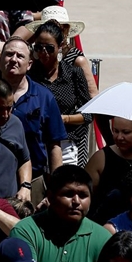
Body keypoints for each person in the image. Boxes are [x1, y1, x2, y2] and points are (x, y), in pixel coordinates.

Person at [12, 166, 110, 262]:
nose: (76, 201)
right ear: (50, 197)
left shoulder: (103, 238)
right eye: (68, 194)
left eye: (83, 195)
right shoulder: (26, 230)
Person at [0, 38, 67, 195]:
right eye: (9, 54)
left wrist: (56, 188)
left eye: (20, 56)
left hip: (34, 181)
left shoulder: (44, 97)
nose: (13, 60)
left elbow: (54, 145)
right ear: (0, 59)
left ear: (29, 64)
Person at [29, 19, 93, 167]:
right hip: (36, 143)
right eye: (38, 47)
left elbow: (88, 114)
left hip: (66, 145)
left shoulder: (74, 74)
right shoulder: (29, 74)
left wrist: (64, 119)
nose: (43, 53)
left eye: (50, 48)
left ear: (60, 46)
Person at [85, 118, 132, 224]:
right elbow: (85, 194)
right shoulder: (101, 158)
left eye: (126, 132)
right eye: (115, 131)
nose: (119, 137)